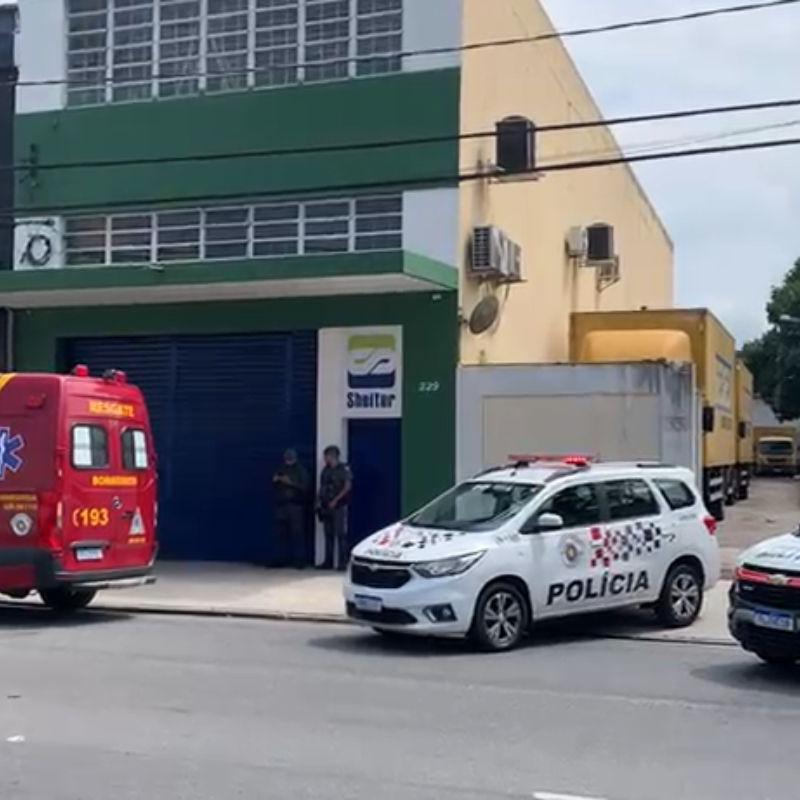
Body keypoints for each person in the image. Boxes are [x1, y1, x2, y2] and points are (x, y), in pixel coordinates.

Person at [273, 448, 310, 568]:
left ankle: (300, 561)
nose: (288, 460)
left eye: (290, 458)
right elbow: (274, 484)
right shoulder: (281, 469)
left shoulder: (301, 471)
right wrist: (276, 480)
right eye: (286, 458)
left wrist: (289, 482)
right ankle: (280, 559)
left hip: (295, 506)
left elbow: (305, 487)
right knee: (280, 534)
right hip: (282, 505)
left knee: (297, 534)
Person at [318, 445, 352, 570]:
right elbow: (322, 487)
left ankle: (343, 563)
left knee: (340, 534)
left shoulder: (343, 469)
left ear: (332, 456)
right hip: (326, 505)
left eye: (326, 456)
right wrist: (319, 502)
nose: (325, 459)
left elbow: (347, 486)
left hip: (339, 506)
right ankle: (328, 561)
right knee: (328, 534)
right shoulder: (326, 470)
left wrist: (335, 500)